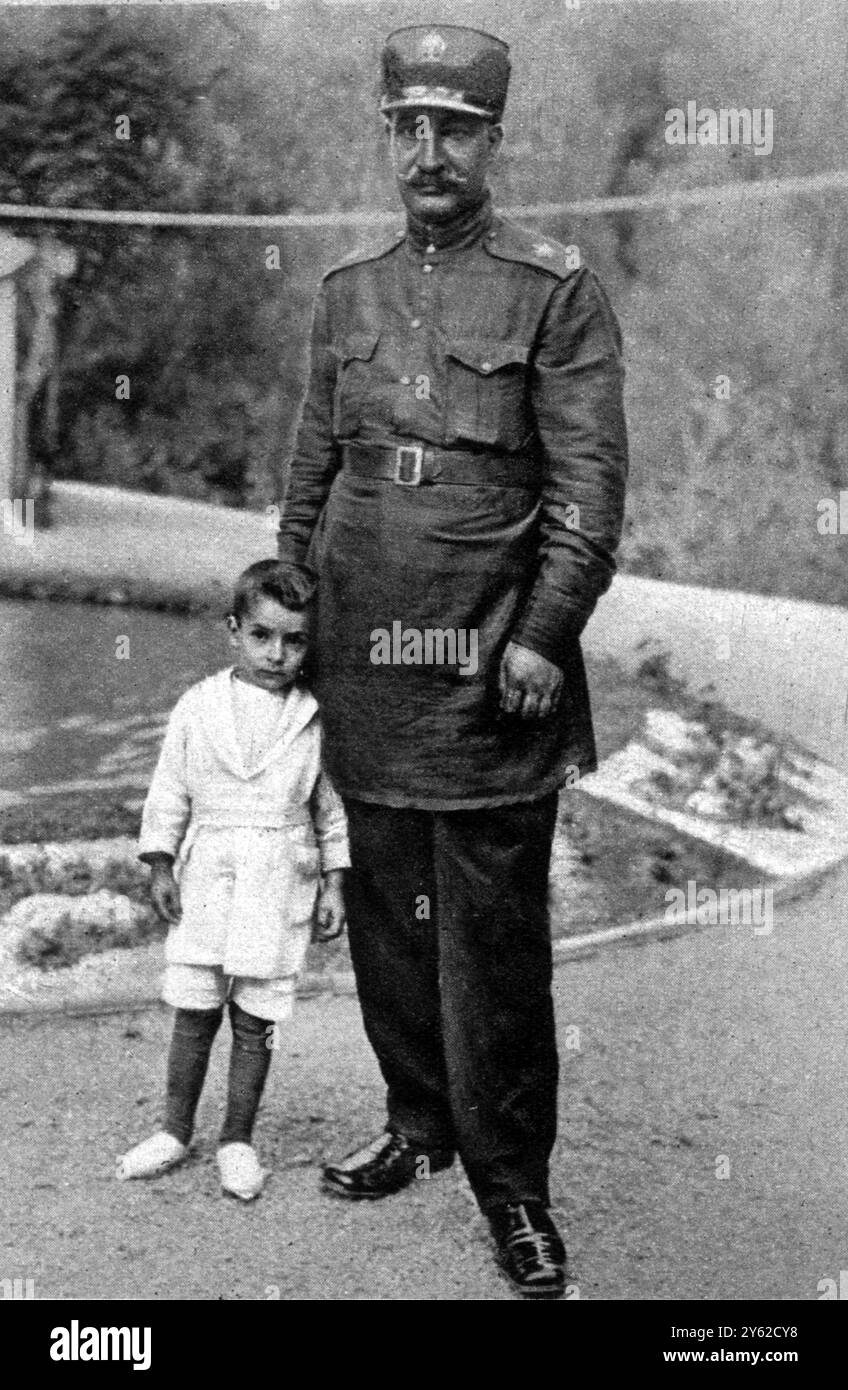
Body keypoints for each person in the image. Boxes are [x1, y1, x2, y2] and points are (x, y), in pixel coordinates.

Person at [277, 24, 628, 1297]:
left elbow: (590, 485)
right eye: (409, 128)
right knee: (385, 914)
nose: (430, 153)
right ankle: (419, 1121)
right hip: (362, 654)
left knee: (488, 937)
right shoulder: (346, 293)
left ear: (491, 140)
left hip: (488, 660)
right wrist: (291, 616)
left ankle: (513, 1189)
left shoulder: (554, 289)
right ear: (389, 138)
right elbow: (310, 474)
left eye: (456, 130)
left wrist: (543, 632)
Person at [116, 561, 349, 1201]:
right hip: (211, 872)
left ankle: (237, 1139)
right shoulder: (199, 705)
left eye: (294, 641)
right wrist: (161, 861)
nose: (277, 654)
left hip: (278, 875)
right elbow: (170, 791)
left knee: (257, 1016)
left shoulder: (315, 716)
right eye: (263, 636)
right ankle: (173, 1130)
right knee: (195, 1009)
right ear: (234, 632)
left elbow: (330, 811)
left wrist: (334, 883)